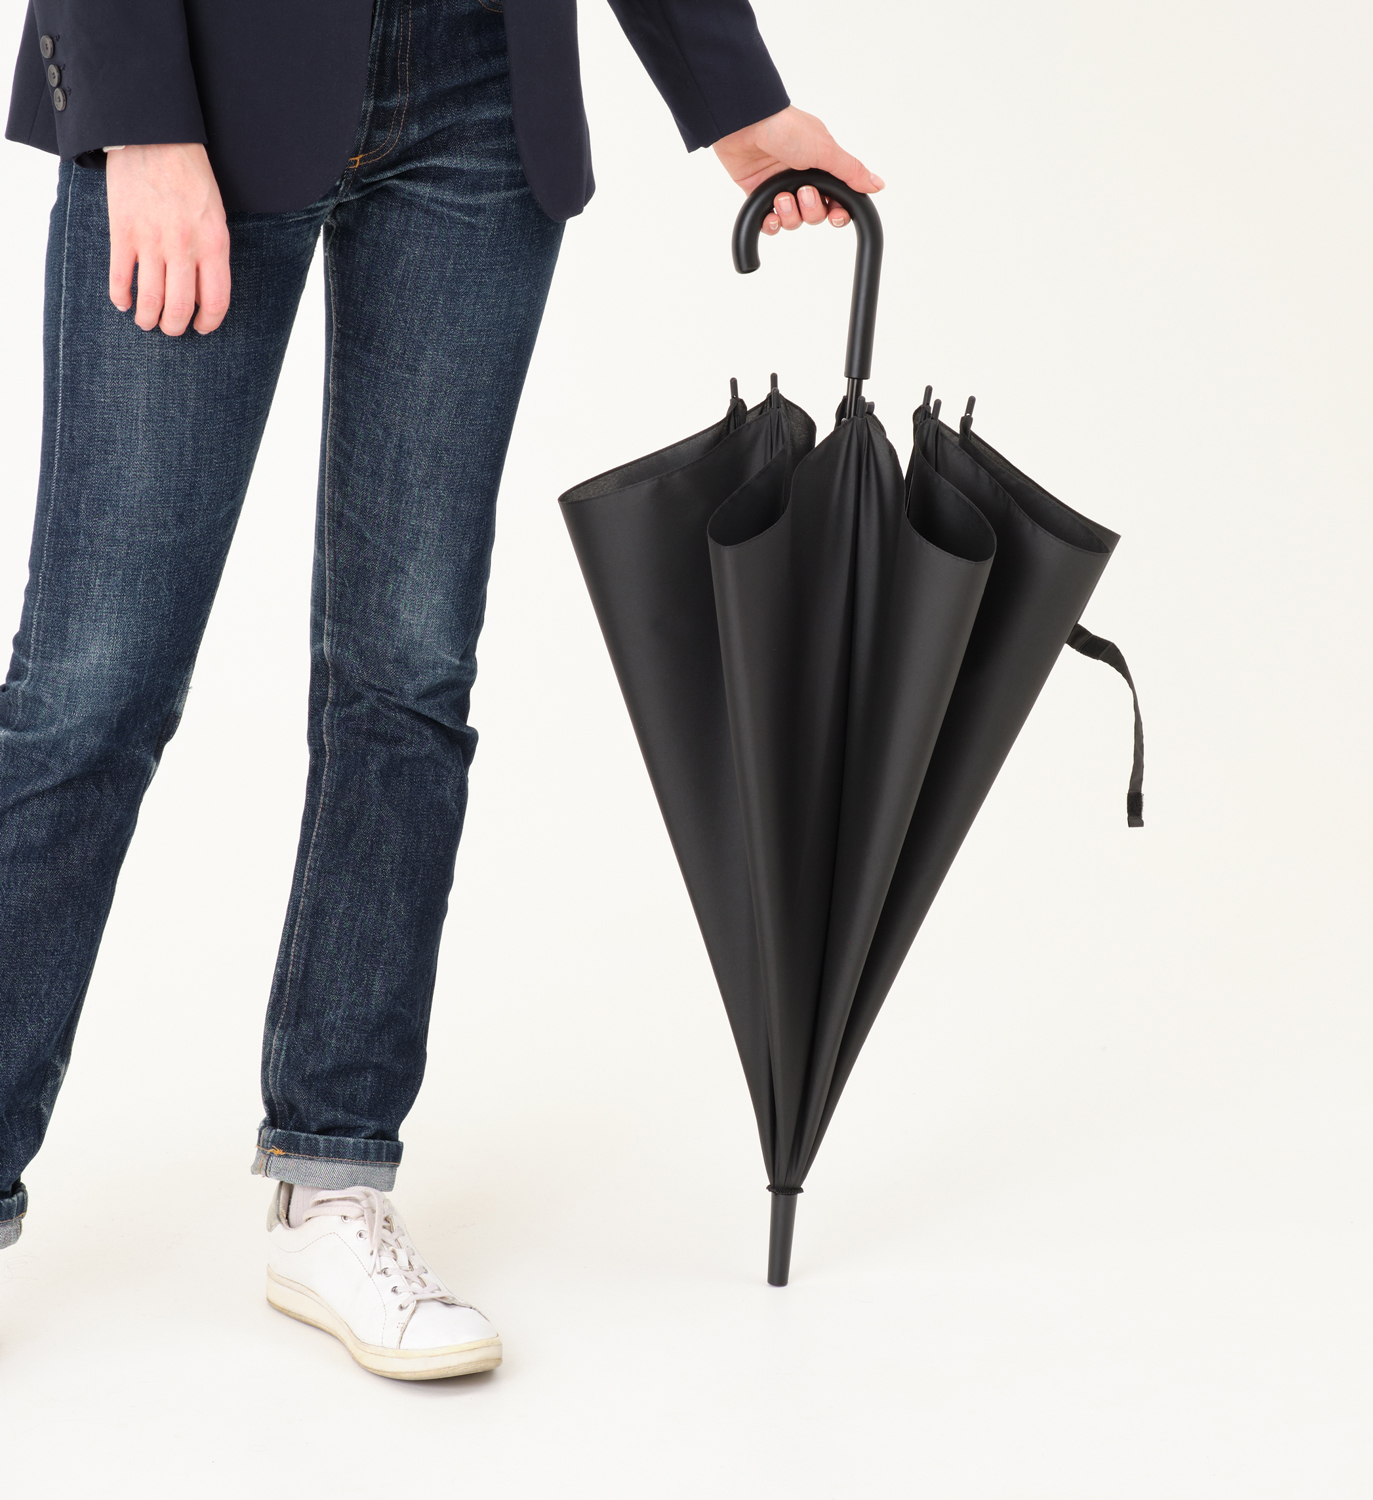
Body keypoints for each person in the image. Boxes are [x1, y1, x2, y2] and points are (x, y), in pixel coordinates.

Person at [0, 0, 880, 1380]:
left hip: (479, 96)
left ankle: (335, 1175)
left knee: (406, 672)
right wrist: (141, 118)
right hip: (211, 76)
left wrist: (740, 104)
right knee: (93, 686)